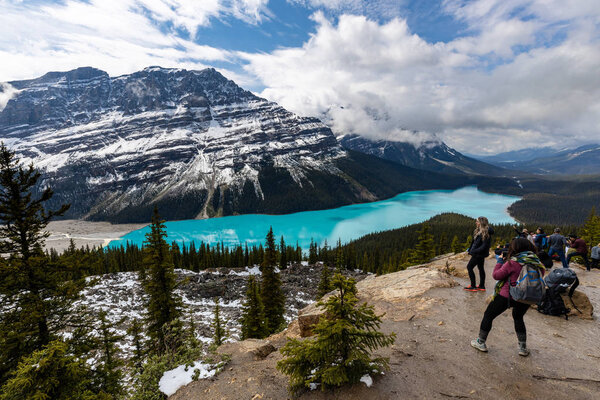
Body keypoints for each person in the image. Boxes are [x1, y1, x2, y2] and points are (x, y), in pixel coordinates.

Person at [471, 238, 545, 357]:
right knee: (518, 317)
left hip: (507, 295)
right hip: (525, 297)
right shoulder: (538, 263)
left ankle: (481, 342)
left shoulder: (513, 262)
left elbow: (496, 275)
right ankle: (522, 348)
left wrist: (500, 261)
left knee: (489, 315)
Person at [464, 216, 494, 292]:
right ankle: (481, 286)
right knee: (481, 268)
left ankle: (473, 286)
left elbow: (484, 246)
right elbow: (474, 242)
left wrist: (474, 251)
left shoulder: (486, 233)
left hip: (478, 254)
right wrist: (470, 249)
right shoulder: (479, 231)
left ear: (481, 223)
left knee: (469, 267)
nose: (476, 223)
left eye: (477, 221)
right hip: (479, 253)